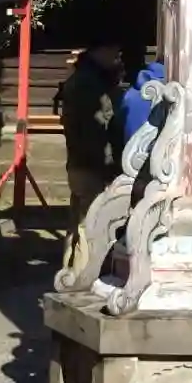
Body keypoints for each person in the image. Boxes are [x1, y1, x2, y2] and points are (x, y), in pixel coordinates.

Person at [58, 40, 123, 267]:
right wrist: (109, 163)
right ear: (100, 51)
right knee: (89, 222)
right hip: (91, 163)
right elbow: (96, 127)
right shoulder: (92, 85)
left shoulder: (81, 79)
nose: (116, 58)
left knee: (78, 220)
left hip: (78, 160)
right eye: (113, 53)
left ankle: (70, 266)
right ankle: (82, 271)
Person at [111, 56, 167, 169]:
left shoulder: (129, 94)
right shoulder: (171, 91)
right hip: (158, 161)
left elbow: (116, 128)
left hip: (129, 159)